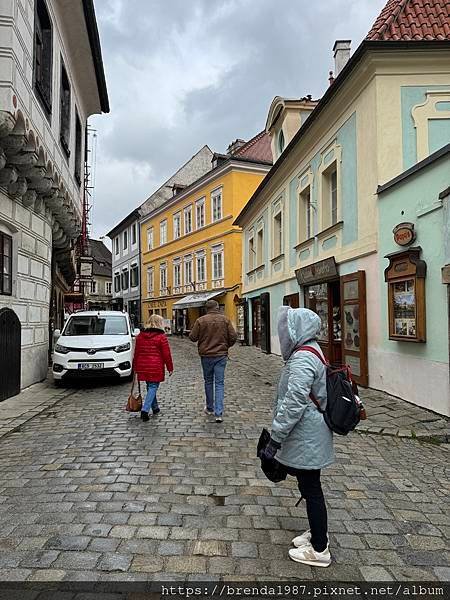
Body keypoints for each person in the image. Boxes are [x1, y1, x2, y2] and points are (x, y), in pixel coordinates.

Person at [260, 307, 334, 567]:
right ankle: (317, 534)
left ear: (296, 330)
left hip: (306, 435)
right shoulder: (311, 349)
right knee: (308, 485)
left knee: (312, 488)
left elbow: (294, 402)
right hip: (309, 434)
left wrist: (276, 437)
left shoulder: (303, 357)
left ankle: (320, 550)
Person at [189, 299, 237, 423]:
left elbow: (193, 338)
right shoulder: (225, 320)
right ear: (217, 307)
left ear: (206, 309)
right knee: (219, 383)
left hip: (206, 355)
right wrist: (226, 346)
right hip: (221, 355)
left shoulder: (200, 320)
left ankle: (210, 408)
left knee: (208, 381)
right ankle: (219, 413)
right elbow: (233, 337)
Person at [132, 314, 173, 422]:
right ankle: (145, 410)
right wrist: (170, 367)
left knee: (150, 386)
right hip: (155, 366)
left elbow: (136, 352)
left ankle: (155, 408)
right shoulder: (161, 337)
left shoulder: (140, 336)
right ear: (159, 323)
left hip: (143, 366)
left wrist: (135, 366)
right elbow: (166, 354)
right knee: (153, 386)